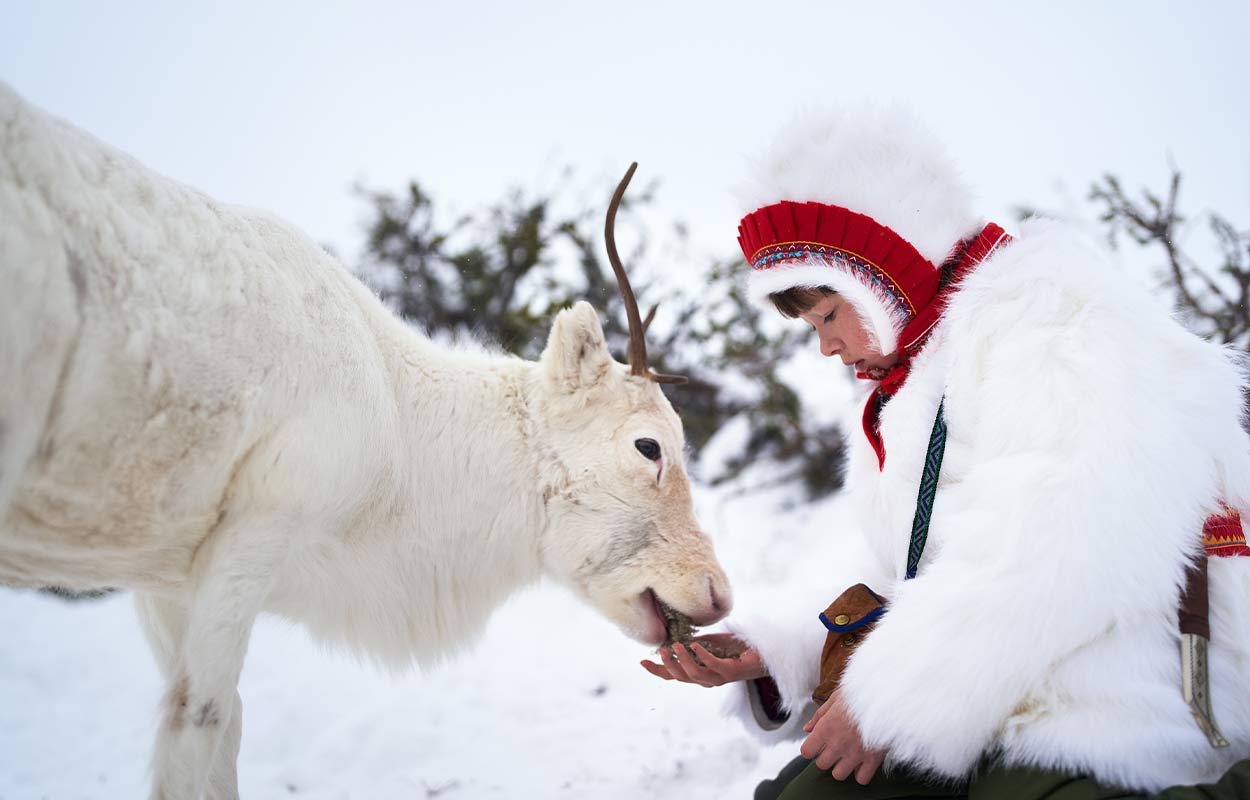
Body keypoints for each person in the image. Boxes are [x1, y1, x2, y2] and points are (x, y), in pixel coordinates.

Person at [641, 107, 1250, 799]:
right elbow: (910, 570)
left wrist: (888, 700)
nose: (826, 346)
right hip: (981, 690)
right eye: (811, 325)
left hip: (1110, 699)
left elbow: (1053, 547)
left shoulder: (1055, 321)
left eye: (829, 314)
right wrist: (782, 652)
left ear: (884, 263)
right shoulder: (916, 376)